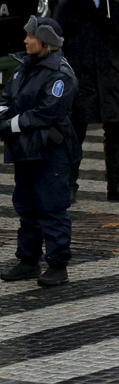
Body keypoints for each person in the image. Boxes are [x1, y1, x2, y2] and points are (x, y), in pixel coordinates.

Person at [0, 17, 81, 287]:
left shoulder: (61, 73)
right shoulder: (23, 67)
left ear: (45, 42)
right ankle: (28, 260)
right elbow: (8, 97)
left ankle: (58, 265)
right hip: (26, 149)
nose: (25, 40)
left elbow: (47, 111)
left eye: (30, 36)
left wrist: (10, 125)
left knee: (52, 206)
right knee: (27, 206)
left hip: (51, 151)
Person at [56, 0, 119, 204]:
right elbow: (57, 43)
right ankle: (70, 184)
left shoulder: (114, 7)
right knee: (75, 133)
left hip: (109, 78)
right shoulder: (69, 9)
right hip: (81, 78)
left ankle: (115, 185)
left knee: (114, 132)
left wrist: (114, 31)